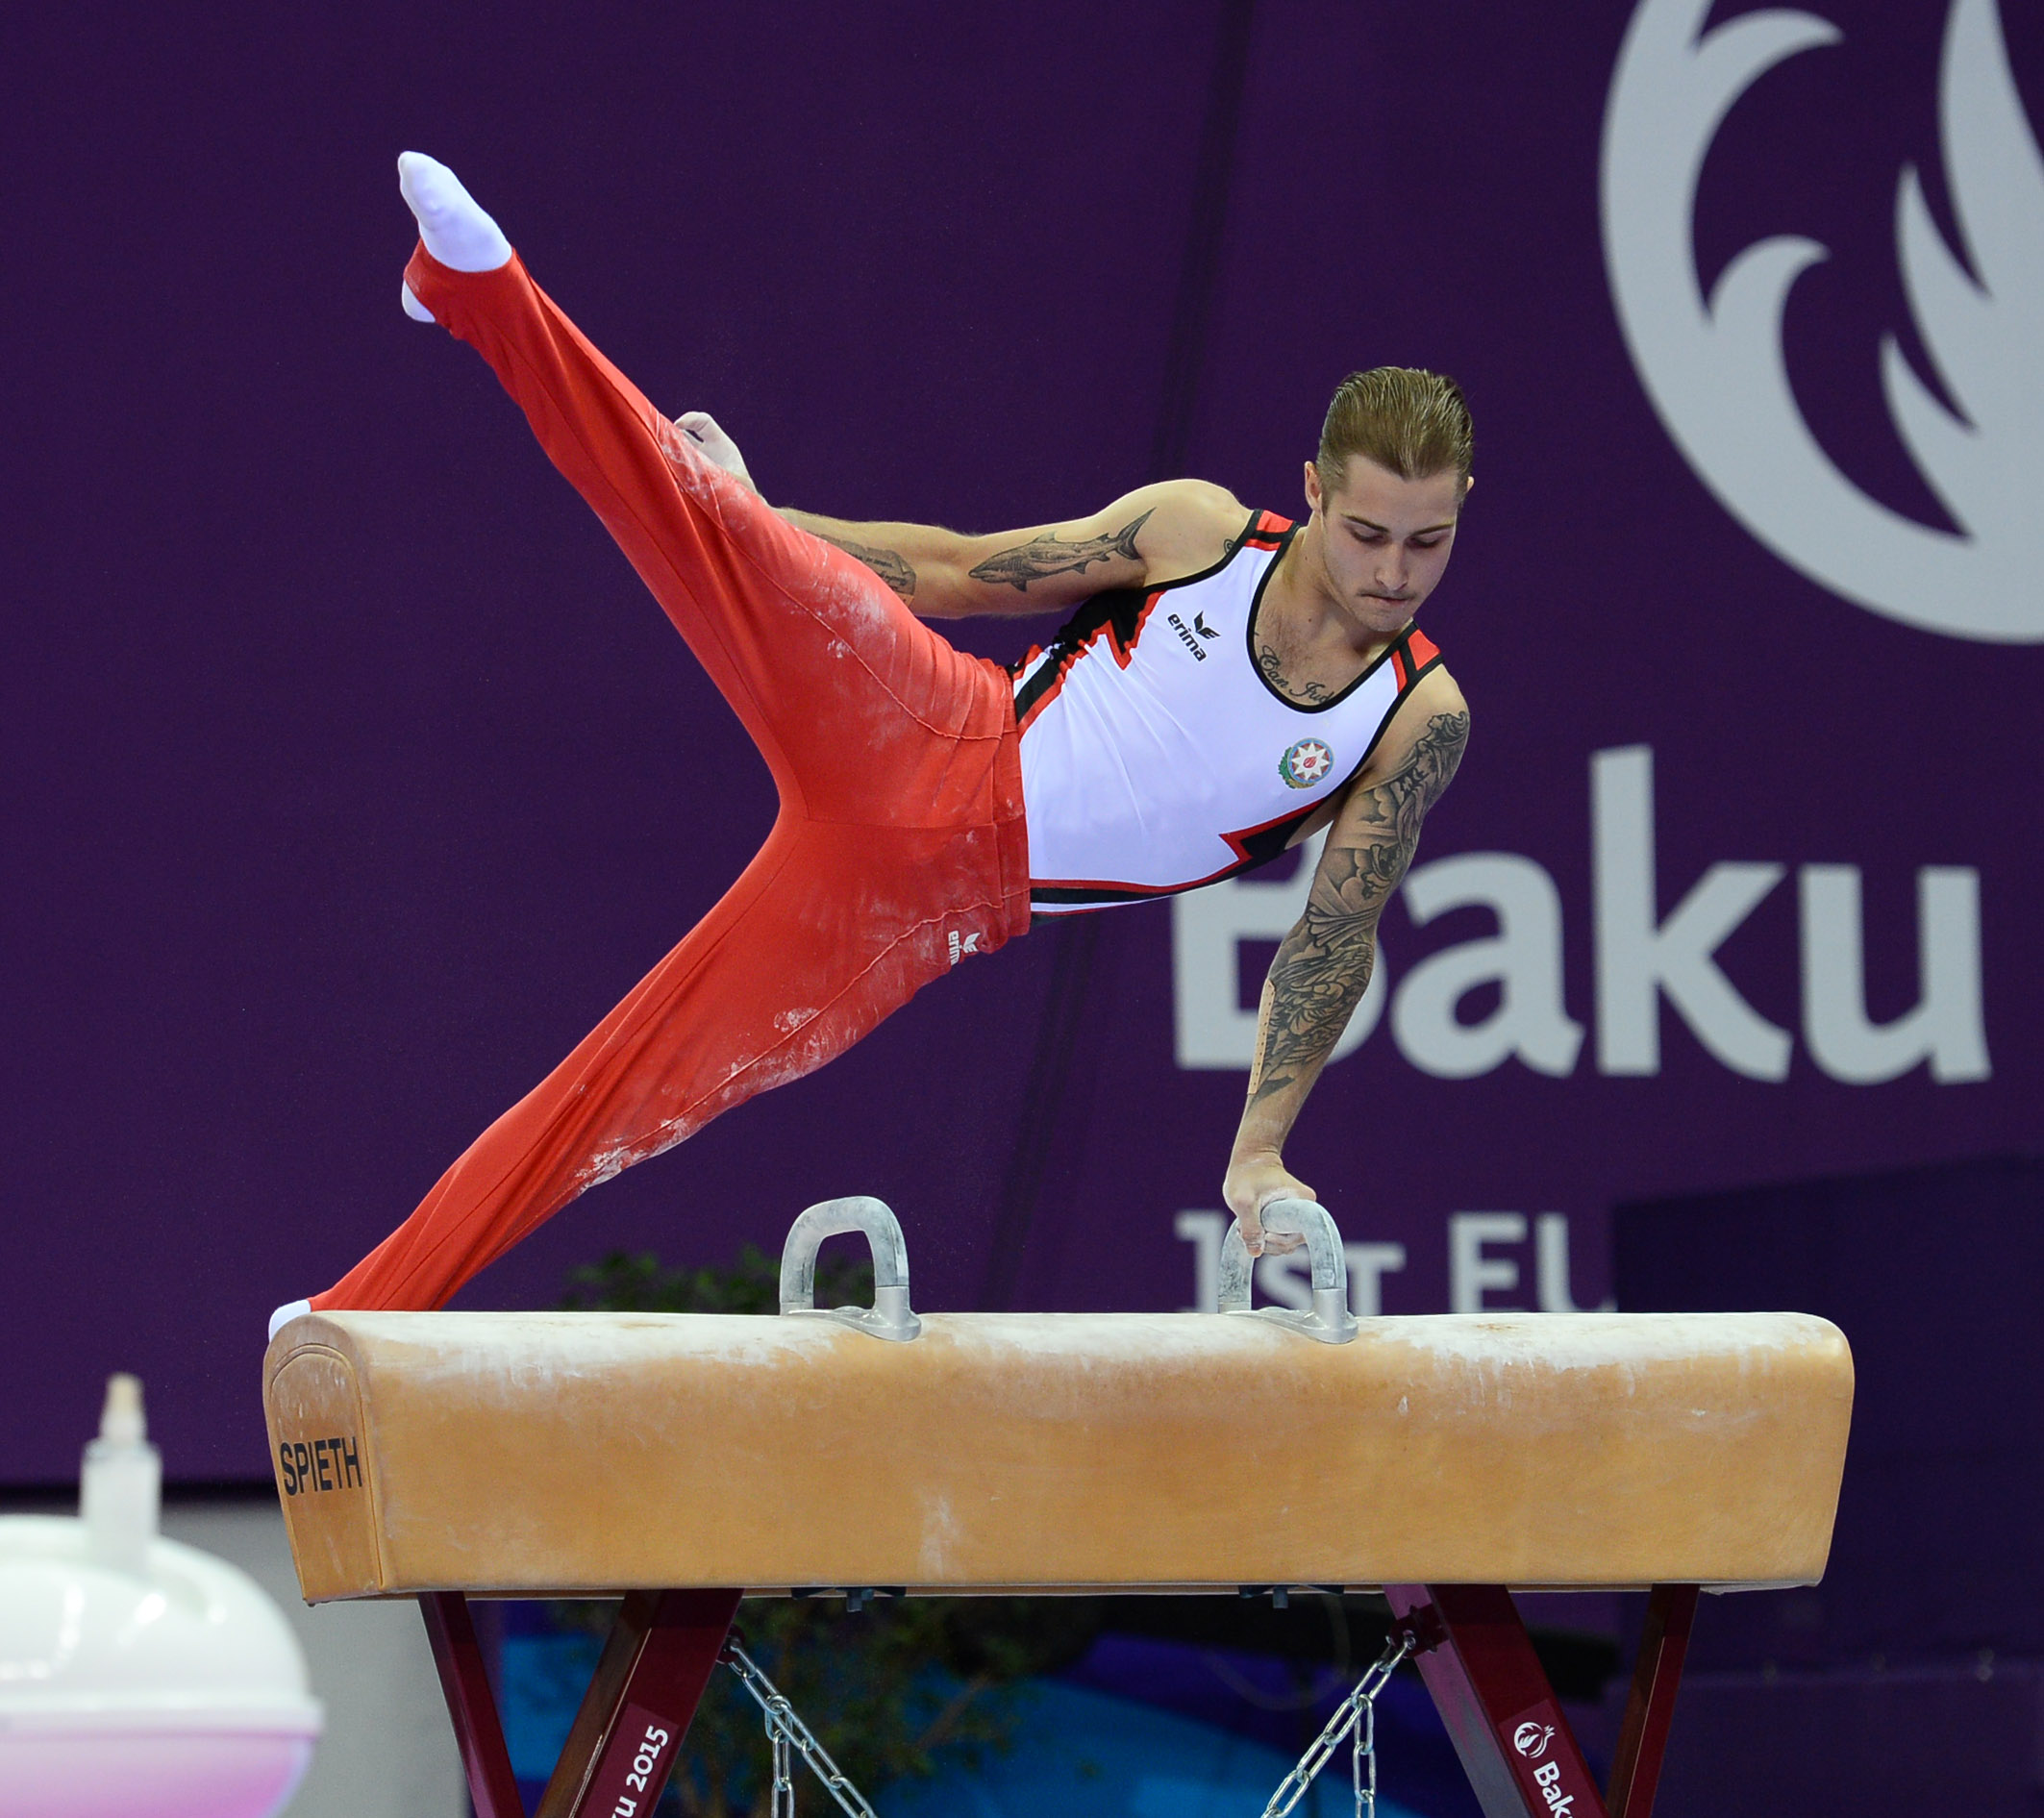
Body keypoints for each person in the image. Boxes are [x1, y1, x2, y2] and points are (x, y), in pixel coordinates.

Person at [273, 153, 1470, 1330]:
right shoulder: (1198, 535)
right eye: (1368, 532)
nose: (1392, 572)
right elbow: (953, 569)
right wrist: (761, 523)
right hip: (923, 716)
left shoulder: (1414, 719)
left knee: (613, 1098)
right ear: (1310, 488)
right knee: (682, 520)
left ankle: (351, 1310)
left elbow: (1330, 938)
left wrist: (1256, 1154)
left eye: (1427, 543)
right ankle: (480, 290)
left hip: (905, 910)